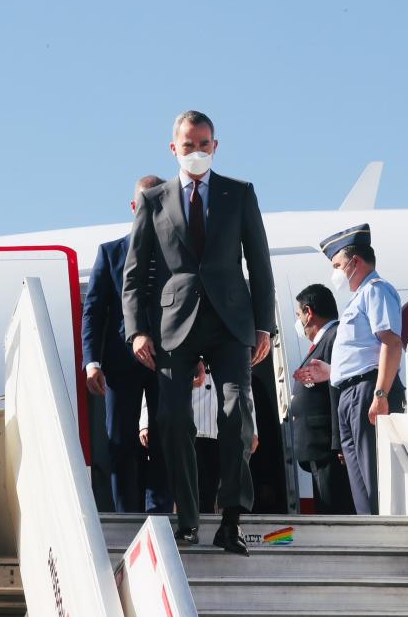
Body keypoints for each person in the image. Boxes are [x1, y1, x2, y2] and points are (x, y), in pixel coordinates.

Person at [122, 110, 275, 556]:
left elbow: (260, 266)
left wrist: (263, 324)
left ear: (215, 146)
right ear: (174, 149)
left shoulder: (240, 194)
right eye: (188, 146)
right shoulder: (154, 200)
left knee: (236, 412)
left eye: (204, 144)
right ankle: (188, 519)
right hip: (175, 325)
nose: (196, 152)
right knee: (173, 421)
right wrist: (137, 332)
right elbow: (134, 275)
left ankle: (230, 519)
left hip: (230, 322)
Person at [81, 175, 172, 514]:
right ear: (134, 207)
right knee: (121, 442)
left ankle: (159, 515)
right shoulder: (111, 253)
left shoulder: (178, 255)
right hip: (121, 364)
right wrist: (92, 362)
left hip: (168, 362)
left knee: (166, 441)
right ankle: (128, 517)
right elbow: (93, 313)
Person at [302, 223, 406, 515]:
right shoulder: (358, 298)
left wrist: (381, 392)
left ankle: (381, 531)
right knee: (358, 479)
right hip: (349, 394)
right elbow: (363, 353)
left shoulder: (376, 290)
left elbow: (391, 342)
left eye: (337, 264)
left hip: (366, 391)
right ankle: (370, 527)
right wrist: (332, 372)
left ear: (354, 262)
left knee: (371, 474)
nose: (335, 272)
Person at [139, 361, 260, 514]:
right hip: (181, 426)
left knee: (207, 494)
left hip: (215, 427)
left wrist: (252, 429)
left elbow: (244, 385)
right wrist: (146, 421)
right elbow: (154, 382)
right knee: (174, 490)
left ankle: (203, 536)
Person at [291, 284, 355, 514]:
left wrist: (339, 441)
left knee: (335, 512)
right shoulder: (323, 340)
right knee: (326, 509)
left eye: (298, 315)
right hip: (319, 448)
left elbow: (336, 389)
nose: (298, 321)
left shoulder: (334, 337)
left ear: (309, 313)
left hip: (328, 445)